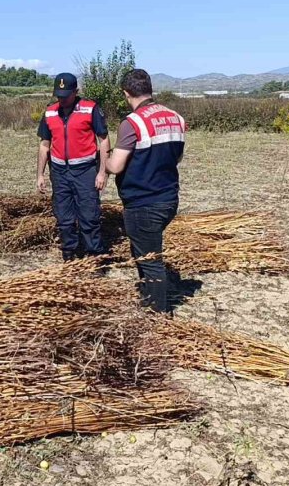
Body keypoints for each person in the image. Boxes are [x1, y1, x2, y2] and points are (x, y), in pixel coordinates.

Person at [105, 69, 186, 313]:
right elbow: (177, 157)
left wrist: (103, 159)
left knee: (151, 261)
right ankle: (148, 297)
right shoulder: (175, 117)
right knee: (144, 252)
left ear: (126, 93)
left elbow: (116, 166)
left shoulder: (132, 123)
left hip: (143, 203)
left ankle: (156, 315)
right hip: (168, 199)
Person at [36, 72, 111, 262]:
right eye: (59, 96)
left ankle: (94, 256)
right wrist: (40, 175)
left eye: (66, 95)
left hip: (85, 171)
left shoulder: (90, 109)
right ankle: (69, 254)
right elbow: (44, 145)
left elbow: (103, 141)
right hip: (60, 173)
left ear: (76, 91)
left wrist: (102, 172)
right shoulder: (50, 112)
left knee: (89, 216)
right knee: (64, 218)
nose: (62, 100)